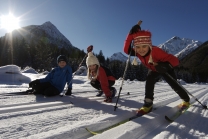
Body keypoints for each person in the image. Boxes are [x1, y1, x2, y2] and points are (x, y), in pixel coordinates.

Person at [123, 25, 190, 115]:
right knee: (149, 81)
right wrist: (130, 35)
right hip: (153, 69)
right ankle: (148, 104)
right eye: (138, 47)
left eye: (144, 46)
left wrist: (165, 66)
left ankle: (186, 100)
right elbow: (126, 50)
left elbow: (175, 60)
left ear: (149, 45)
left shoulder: (156, 51)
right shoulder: (137, 53)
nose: (141, 50)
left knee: (174, 84)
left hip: (165, 68)